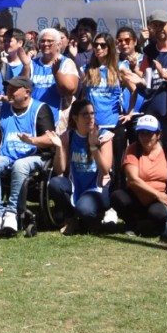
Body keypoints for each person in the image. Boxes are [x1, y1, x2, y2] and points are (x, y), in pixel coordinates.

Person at [0, 76, 56, 236]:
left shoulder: (40, 109)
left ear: (27, 92)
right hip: (6, 155)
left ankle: (12, 214)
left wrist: (32, 140)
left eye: (13, 89)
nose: (8, 92)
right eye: (8, 89)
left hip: (34, 156)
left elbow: (50, 139)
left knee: (20, 165)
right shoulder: (2, 109)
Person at [49, 99, 114, 234]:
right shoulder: (68, 136)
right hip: (76, 185)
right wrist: (59, 148)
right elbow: (59, 169)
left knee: (84, 210)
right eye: (85, 114)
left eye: (92, 113)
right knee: (55, 183)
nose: (90, 118)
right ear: (75, 118)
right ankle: (70, 220)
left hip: (98, 188)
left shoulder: (104, 136)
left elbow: (105, 170)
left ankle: (95, 218)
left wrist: (93, 147)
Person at [110, 115, 167, 238]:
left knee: (157, 214)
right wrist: (156, 194)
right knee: (117, 197)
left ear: (158, 134)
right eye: (141, 133)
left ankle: (151, 224)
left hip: (160, 199)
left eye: (149, 133)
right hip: (137, 198)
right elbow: (133, 180)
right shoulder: (133, 149)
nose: (145, 137)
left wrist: (162, 196)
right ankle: (132, 223)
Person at [30, 28, 79, 126]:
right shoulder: (32, 63)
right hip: (34, 119)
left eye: (50, 41)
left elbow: (71, 89)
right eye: (42, 41)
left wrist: (56, 73)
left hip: (57, 121)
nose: (45, 44)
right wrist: (25, 65)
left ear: (59, 45)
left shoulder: (67, 63)